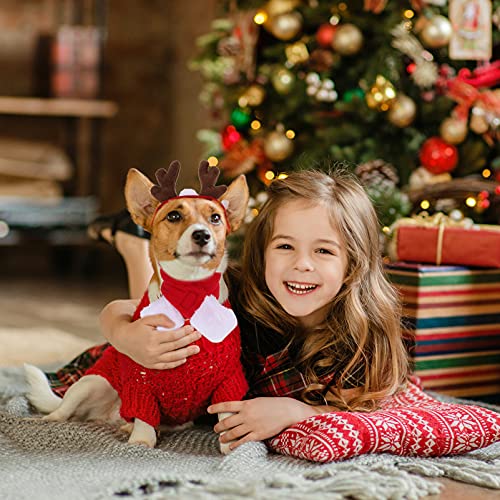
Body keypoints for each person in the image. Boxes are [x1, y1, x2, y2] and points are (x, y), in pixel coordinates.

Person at [47, 168, 410, 451]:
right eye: (285, 246)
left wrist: (299, 411)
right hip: (147, 369)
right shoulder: (239, 289)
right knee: (159, 313)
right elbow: (121, 310)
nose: (302, 264)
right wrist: (124, 335)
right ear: (261, 249)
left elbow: (374, 414)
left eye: (324, 251)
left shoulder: (365, 338)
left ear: (355, 262)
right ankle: (135, 247)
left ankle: (132, 241)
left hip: (199, 398)